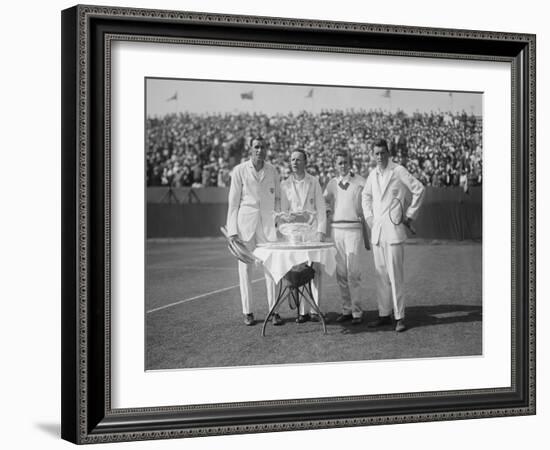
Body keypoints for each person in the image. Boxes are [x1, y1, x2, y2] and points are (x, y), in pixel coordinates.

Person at [361, 139, 425, 332]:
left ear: (388, 153)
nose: (379, 156)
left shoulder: (399, 171)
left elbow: (419, 189)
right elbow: (366, 196)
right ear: (373, 155)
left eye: (382, 153)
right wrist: (370, 218)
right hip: (378, 233)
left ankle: (400, 317)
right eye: (376, 153)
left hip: (395, 233)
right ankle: (383, 315)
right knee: (381, 276)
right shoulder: (373, 174)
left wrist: (410, 215)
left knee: (395, 276)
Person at [226, 136, 282, 326]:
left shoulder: (273, 170)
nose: (260, 150)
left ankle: (274, 311)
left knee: (272, 269)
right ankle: (247, 312)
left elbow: (278, 200)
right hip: (245, 226)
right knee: (245, 270)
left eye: (263, 147)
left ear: (267, 149)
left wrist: (278, 222)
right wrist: (232, 229)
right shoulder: (239, 170)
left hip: (267, 226)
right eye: (256, 147)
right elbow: (233, 203)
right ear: (250, 149)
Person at [280, 149, 327, 323]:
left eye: (298, 159)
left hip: (312, 232)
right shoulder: (284, 184)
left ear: (305, 162)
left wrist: (321, 230)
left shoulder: (314, 181)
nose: (294, 162)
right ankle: (302, 312)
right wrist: (286, 225)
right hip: (294, 235)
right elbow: (284, 212)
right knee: (298, 271)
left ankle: (316, 310)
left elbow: (321, 208)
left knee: (315, 271)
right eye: (292, 159)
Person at [324, 151, 367, 325]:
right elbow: (324, 200)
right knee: (341, 273)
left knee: (353, 272)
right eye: (340, 163)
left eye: (345, 163)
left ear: (350, 164)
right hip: (336, 231)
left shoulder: (360, 182)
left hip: (353, 231)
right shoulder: (332, 184)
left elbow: (369, 199)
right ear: (335, 165)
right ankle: (346, 310)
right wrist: (327, 210)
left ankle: (357, 312)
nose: (343, 166)